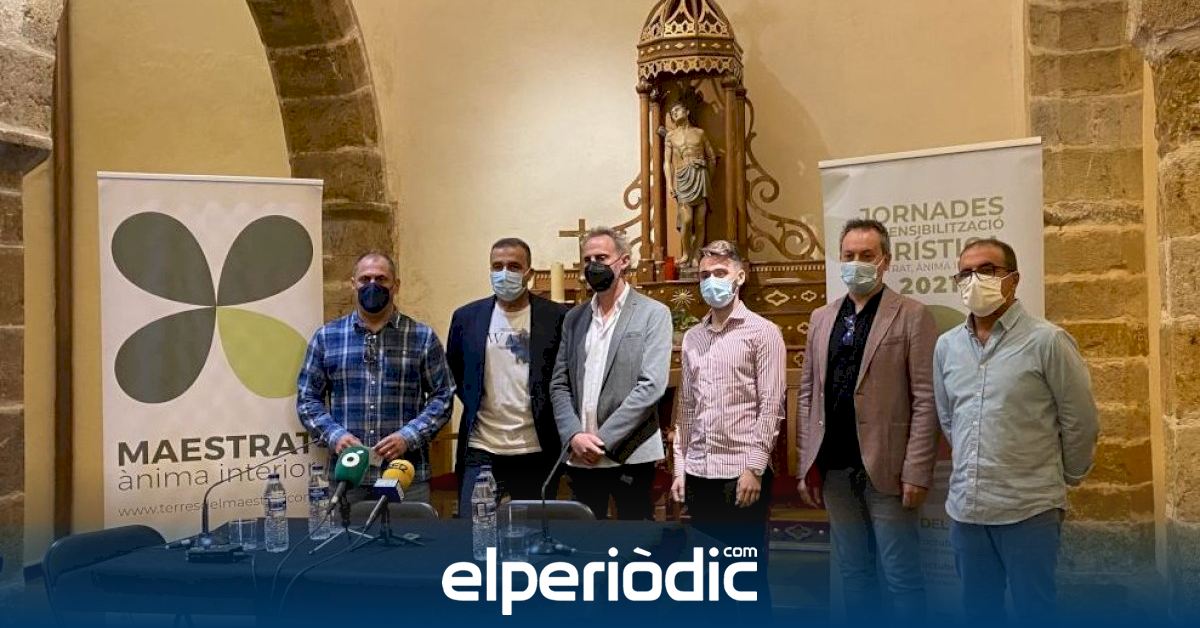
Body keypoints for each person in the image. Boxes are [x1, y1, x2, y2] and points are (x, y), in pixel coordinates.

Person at [935, 238, 1098, 623]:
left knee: (1034, 611)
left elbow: (1080, 420)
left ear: (1013, 279)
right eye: (965, 273)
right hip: (968, 511)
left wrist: (1065, 476)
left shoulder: (1048, 341)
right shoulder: (946, 346)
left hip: (1029, 510)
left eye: (987, 270)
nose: (974, 279)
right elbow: (949, 417)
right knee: (979, 612)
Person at [796, 219, 939, 622]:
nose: (856, 262)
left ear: (885, 261)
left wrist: (916, 471)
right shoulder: (822, 317)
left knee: (901, 575)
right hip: (835, 467)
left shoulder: (912, 315)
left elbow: (926, 399)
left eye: (866, 255)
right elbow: (807, 394)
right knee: (853, 573)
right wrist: (807, 465)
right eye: (849, 255)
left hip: (888, 469)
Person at [297, 251, 455, 504]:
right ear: (353, 284)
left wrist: (408, 436)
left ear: (396, 285)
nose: (372, 285)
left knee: (414, 531)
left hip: (406, 476)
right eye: (365, 279)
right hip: (348, 478)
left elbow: (443, 397)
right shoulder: (326, 337)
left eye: (381, 279)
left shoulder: (422, 337)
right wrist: (335, 435)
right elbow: (307, 399)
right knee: (345, 532)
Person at [550, 227, 671, 520]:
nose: (594, 265)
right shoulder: (574, 318)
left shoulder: (653, 313)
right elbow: (559, 384)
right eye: (588, 260)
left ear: (624, 260)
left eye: (602, 258)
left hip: (630, 452)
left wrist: (601, 441)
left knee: (634, 539)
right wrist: (574, 435)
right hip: (580, 455)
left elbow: (651, 385)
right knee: (585, 539)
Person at [672, 240, 786, 552]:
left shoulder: (763, 332)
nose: (711, 281)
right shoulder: (693, 337)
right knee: (706, 570)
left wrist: (754, 468)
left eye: (720, 273)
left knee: (744, 570)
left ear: (740, 277)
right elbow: (687, 407)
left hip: (740, 470)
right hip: (699, 470)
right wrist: (680, 467)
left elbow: (771, 406)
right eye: (704, 275)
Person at [446, 237, 568, 517]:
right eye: (497, 266)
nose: (504, 273)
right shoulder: (466, 318)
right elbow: (457, 372)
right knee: (474, 529)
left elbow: (565, 376)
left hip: (535, 447)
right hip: (482, 445)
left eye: (513, 267)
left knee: (533, 532)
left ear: (529, 273)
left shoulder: (556, 317)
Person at [665, 101, 716, 266]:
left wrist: (708, 178)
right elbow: (667, 163)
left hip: (700, 176)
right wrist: (670, 184)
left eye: (677, 110)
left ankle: (697, 254)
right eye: (672, 113)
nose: (675, 113)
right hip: (683, 178)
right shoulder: (670, 136)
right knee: (686, 220)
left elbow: (712, 157)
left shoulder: (699, 133)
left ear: (687, 112)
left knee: (700, 221)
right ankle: (686, 253)